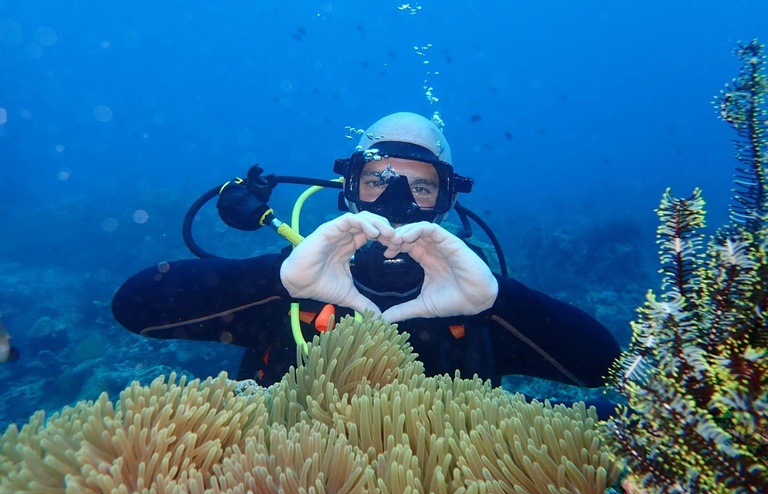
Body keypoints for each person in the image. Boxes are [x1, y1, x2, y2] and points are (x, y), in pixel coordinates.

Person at [112, 112, 620, 397]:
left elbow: (606, 367)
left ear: (446, 203)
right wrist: (276, 282)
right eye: (378, 180)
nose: (398, 202)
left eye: (422, 187)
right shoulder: (295, 286)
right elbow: (135, 307)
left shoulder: (478, 304)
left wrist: (497, 302)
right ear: (348, 190)